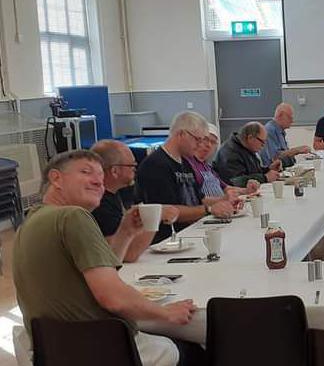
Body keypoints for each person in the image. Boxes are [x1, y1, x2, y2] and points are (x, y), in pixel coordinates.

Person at [13, 150, 200, 366]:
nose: (98, 183)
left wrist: (127, 231)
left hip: (57, 350)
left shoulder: (29, 224)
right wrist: (166, 313)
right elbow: (112, 297)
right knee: (192, 347)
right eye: (86, 172)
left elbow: (103, 273)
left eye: (102, 179)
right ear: (56, 178)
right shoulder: (73, 216)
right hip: (103, 348)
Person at [136, 111, 239, 243]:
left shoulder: (186, 162)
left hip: (191, 232)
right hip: (168, 240)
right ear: (181, 134)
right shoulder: (156, 165)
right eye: (198, 139)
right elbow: (169, 211)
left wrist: (224, 201)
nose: (200, 144)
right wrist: (210, 209)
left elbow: (199, 199)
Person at [90, 140, 180, 262]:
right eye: (132, 166)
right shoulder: (99, 205)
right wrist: (156, 216)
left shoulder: (114, 194)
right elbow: (129, 254)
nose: (135, 170)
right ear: (114, 171)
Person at [186, 123, 260, 199]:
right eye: (205, 139)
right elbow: (195, 200)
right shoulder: (188, 166)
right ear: (197, 140)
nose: (209, 145)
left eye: (213, 142)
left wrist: (247, 190)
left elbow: (225, 188)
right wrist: (223, 199)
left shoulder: (208, 168)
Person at [214, 121, 282, 187]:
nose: (263, 146)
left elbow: (253, 171)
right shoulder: (230, 152)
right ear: (250, 138)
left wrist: (268, 169)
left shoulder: (247, 148)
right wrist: (265, 178)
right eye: (262, 142)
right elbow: (236, 181)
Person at [259, 103, 311, 168]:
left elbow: (284, 152)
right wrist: (297, 150)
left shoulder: (280, 131)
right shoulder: (269, 130)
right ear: (280, 115)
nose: (292, 121)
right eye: (289, 117)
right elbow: (274, 157)